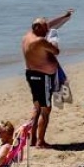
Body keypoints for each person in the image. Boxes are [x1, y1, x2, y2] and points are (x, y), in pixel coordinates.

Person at [23, 11, 74, 148]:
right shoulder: (40, 41)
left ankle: (32, 140)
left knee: (37, 107)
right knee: (46, 110)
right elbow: (56, 51)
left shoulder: (28, 35)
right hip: (42, 77)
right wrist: (54, 41)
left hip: (31, 74)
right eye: (45, 28)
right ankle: (41, 142)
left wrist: (64, 17)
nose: (48, 30)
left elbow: (49, 25)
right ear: (38, 28)